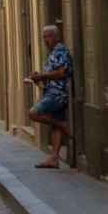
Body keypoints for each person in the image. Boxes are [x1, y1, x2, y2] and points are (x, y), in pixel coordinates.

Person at [29, 24, 74, 169]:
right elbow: (51, 73)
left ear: (56, 36)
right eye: (43, 37)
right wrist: (39, 77)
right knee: (55, 125)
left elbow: (62, 73)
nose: (45, 40)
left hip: (58, 94)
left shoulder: (61, 51)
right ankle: (54, 158)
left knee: (33, 113)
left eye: (47, 36)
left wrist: (42, 75)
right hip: (51, 91)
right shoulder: (53, 52)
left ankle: (63, 125)